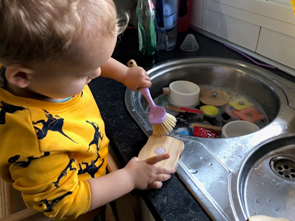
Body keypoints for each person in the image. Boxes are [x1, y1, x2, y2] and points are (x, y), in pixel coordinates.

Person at [0, 0, 176, 220]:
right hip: (84, 207)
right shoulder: (36, 142)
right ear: (21, 76)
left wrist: (124, 74)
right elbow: (65, 201)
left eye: (98, 64)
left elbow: (89, 61)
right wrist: (130, 178)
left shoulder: (38, 71)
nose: (95, 74)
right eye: (83, 75)